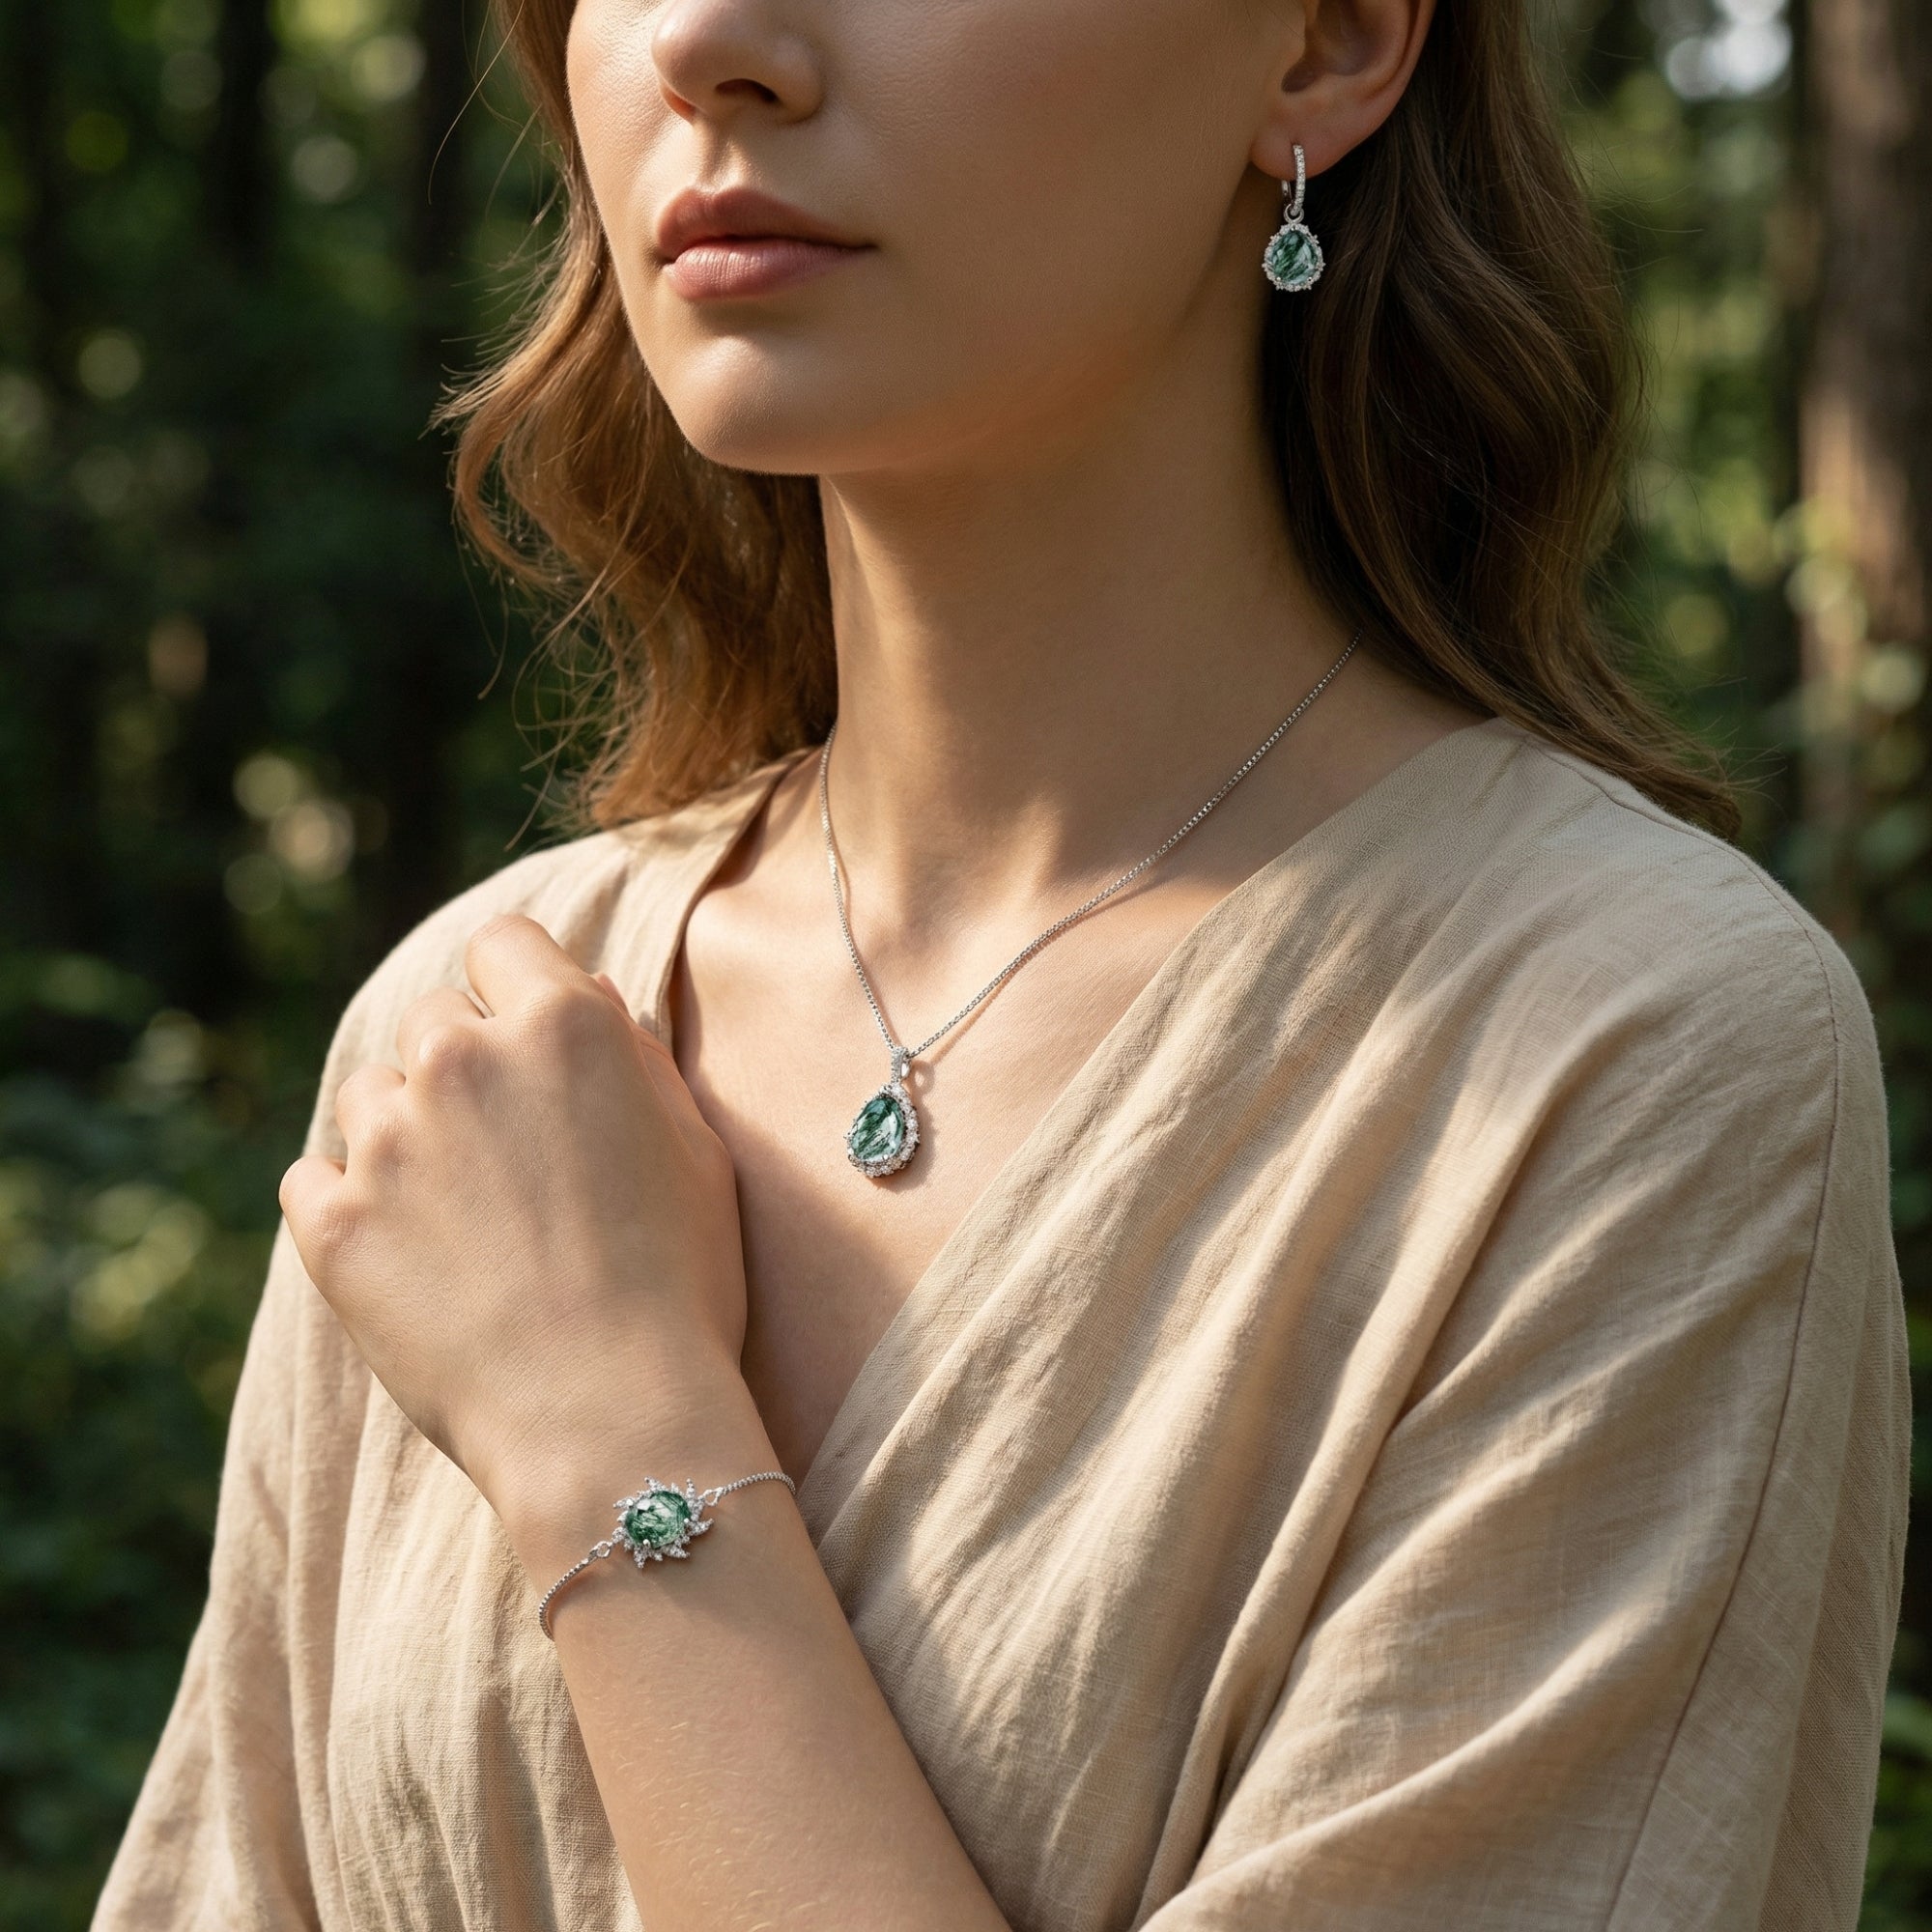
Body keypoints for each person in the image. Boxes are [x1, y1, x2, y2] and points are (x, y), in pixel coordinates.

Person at [95, 0, 1908, 1924]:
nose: (711, 40)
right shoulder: (466, 1032)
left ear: (1326, 46)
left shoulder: (1624, 1049)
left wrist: (617, 1436)